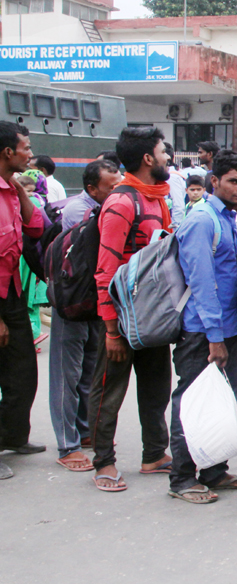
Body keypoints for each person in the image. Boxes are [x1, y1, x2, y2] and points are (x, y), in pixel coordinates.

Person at [90, 126, 176, 492]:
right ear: (147, 159)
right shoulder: (122, 202)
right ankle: (103, 463)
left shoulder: (156, 199)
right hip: (121, 319)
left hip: (151, 314)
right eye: (162, 151)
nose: (167, 158)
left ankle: (154, 453)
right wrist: (111, 330)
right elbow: (104, 269)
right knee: (109, 391)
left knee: (156, 386)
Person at [168, 150, 237, 504]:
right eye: (234, 181)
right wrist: (216, 339)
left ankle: (214, 471)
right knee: (193, 402)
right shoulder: (203, 220)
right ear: (214, 181)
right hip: (201, 332)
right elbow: (203, 283)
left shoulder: (226, 218)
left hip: (225, 328)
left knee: (221, 401)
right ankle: (182, 478)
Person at [47, 160, 119, 473]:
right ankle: (67, 444)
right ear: (92, 189)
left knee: (89, 368)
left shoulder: (110, 208)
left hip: (93, 302)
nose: (118, 191)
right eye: (112, 187)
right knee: (67, 374)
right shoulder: (81, 211)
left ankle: (85, 430)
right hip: (73, 300)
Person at [0, 122, 43, 480]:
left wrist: (19, 191)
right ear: (8, 152)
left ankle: (12, 436)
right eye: (25, 148)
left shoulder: (11, 190)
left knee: (23, 373)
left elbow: (36, 228)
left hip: (12, 291)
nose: (30, 154)